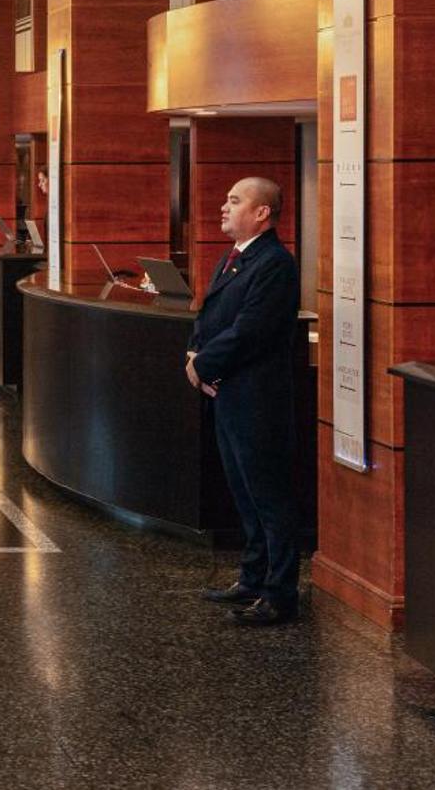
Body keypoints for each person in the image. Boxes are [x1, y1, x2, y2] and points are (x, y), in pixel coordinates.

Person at [184, 176, 302, 627]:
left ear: (261, 213)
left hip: (258, 400)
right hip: (228, 393)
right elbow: (209, 316)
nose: (223, 207)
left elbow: (251, 330)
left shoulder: (274, 264)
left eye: (234, 201)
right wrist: (197, 355)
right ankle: (252, 577)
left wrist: (204, 363)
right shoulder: (233, 259)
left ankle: (280, 593)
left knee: (270, 498)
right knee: (244, 495)